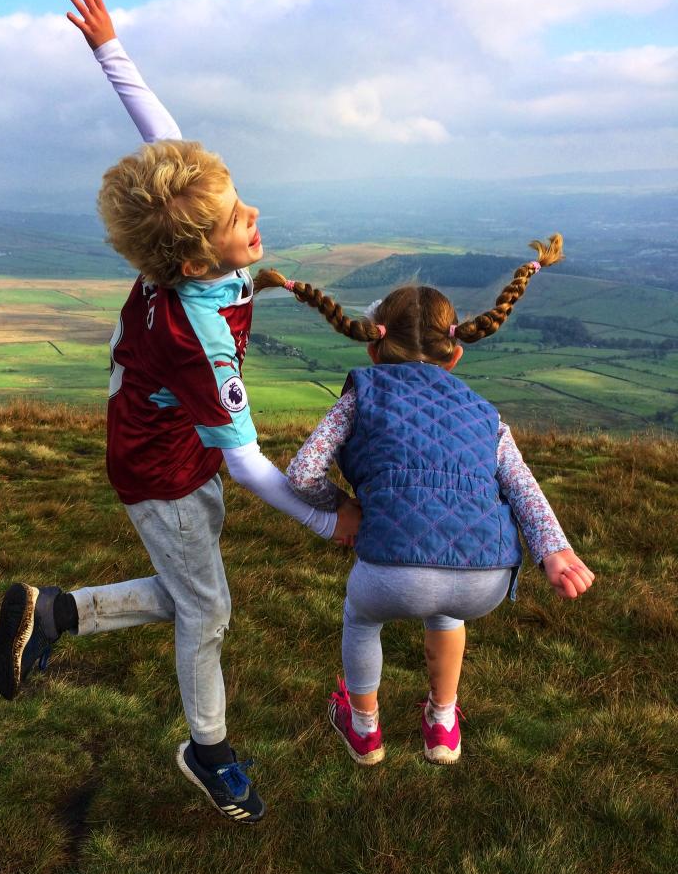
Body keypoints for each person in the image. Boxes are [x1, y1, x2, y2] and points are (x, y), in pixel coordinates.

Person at [0, 0, 360, 825]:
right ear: (195, 261)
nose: (254, 215)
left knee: (192, 590)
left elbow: (162, 136)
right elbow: (246, 459)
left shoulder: (184, 246)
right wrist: (327, 518)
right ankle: (209, 750)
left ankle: (58, 612)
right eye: (236, 219)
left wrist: (109, 49)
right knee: (209, 611)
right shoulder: (200, 339)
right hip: (163, 466)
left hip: (158, 436)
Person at [253, 235, 595, 766]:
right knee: (446, 612)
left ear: (372, 347)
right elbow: (522, 485)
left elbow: (301, 472)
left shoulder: (360, 393)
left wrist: (344, 507)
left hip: (390, 570)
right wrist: (555, 549)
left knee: (362, 619)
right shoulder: (485, 412)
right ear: (455, 353)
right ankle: (442, 723)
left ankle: (364, 728)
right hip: (483, 574)